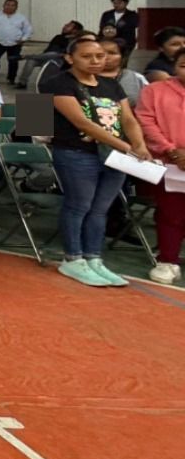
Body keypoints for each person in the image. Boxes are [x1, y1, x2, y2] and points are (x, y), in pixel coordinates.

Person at [40, 34, 151, 288]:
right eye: (87, 56)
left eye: (100, 56)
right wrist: (126, 147)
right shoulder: (57, 83)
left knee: (101, 209)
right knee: (78, 205)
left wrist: (139, 145)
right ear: (70, 58)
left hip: (115, 156)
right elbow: (82, 122)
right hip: (77, 153)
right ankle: (73, 257)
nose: (96, 61)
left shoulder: (111, 84)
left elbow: (128, 118)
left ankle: (94, 257)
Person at [138, 47, 185, 284]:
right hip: (170, 163)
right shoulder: (154, 90)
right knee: (171, 214)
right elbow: (146, 121)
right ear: (174, 66)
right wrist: (171, 150)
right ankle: (168, 261)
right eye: (183, 65)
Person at [0, 0, 31, 81]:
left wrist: (23, 39)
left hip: (15, 44)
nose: (9, 7)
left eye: (13, 5)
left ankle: (11, 78)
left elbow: (28, 30)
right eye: (7, 5)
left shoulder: (21, 17)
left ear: (16, 7)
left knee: (13, 61)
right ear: (3, 5)